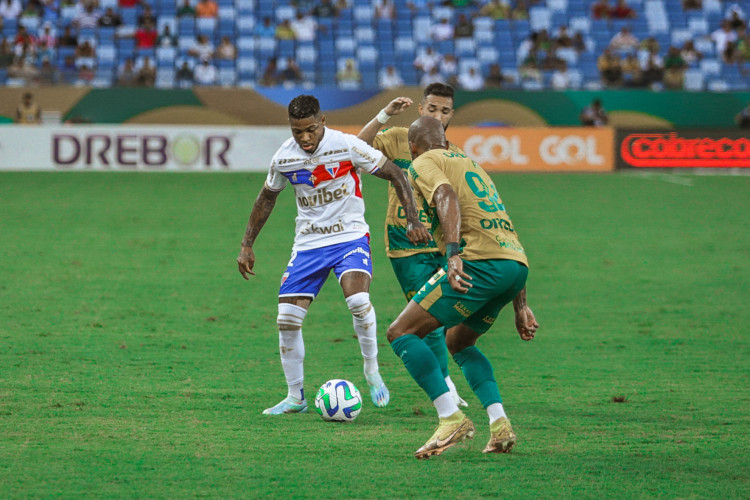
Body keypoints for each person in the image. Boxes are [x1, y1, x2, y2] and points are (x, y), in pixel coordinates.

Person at [236, 94, 431, 415]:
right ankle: (295, 397)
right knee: (286, 320)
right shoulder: (284, 158)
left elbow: (396, 173)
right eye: (297, 131)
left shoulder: (346, 146)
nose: (305, 137)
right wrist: (246, 244)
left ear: (322, 121)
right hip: (309, 245)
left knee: (357, 302)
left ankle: (371, 369)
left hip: (349, 237)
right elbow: (266, 198)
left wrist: (412, 218)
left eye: (311, 129)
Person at [385, 116, 538, 459]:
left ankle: (449, 417)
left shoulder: (423, 161)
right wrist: (520, 304)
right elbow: (504, 229)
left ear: (412, 146)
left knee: (401, 332)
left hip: (476, 262)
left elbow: (444, 194)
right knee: (459, 341)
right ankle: (499, 426)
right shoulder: (472, 164)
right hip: (514, 265)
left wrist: (453, 254)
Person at [356, 83, 471, 409]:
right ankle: (445, 386)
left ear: (451, 115)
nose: (438, 115)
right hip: (405, 244)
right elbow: (358, 147)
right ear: (420, 109)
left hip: (441, 245)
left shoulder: (456, 154)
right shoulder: (399, 137)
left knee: (447, 314)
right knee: (429, 314)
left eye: (444, 111)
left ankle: (445, 381)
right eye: (432, 108)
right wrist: (383, 115)